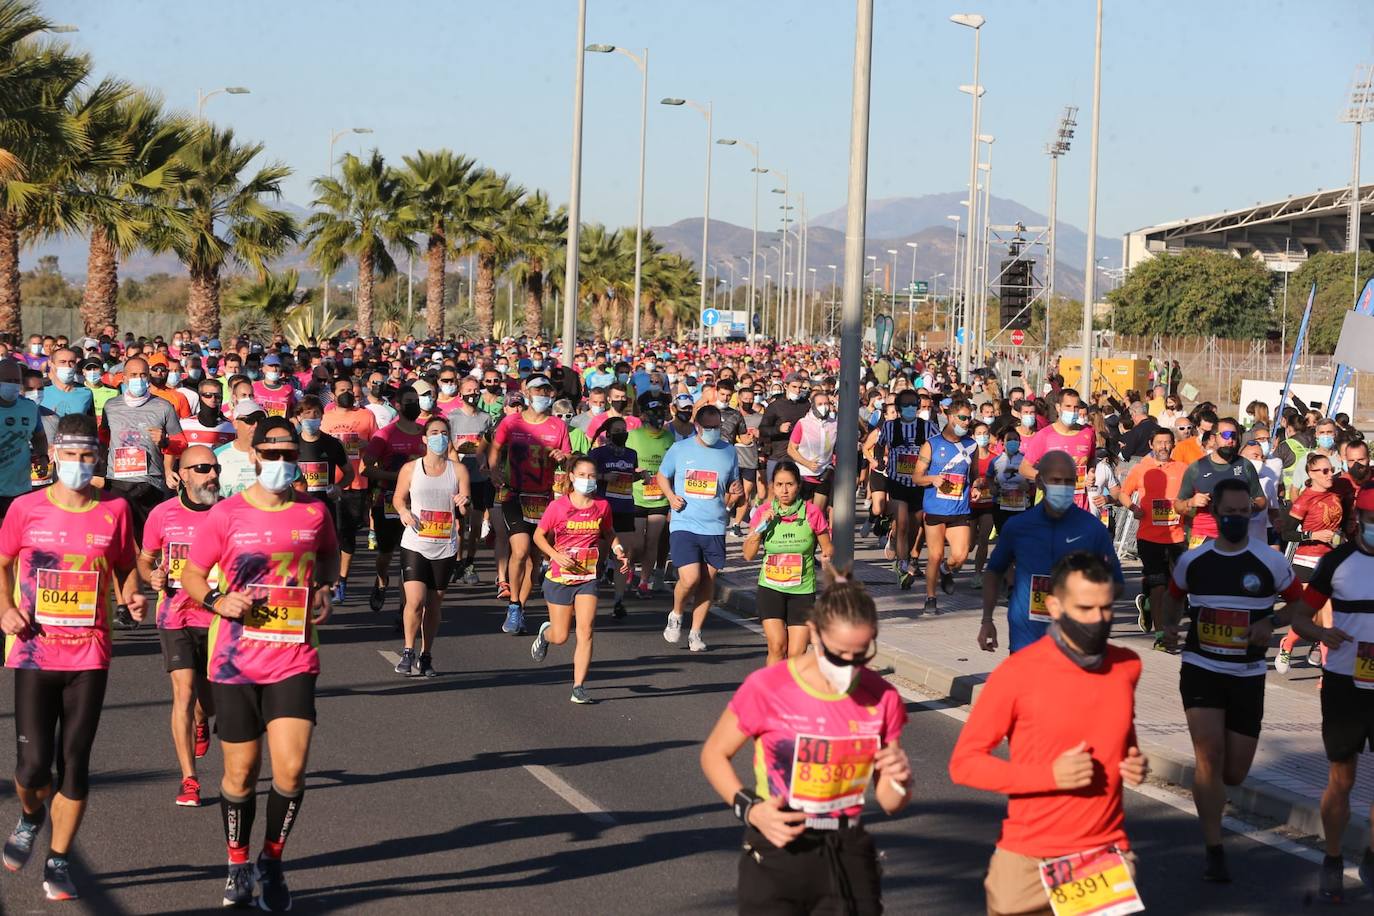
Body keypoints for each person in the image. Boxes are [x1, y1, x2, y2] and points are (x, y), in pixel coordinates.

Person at [180, 416, 339, 911]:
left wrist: (325, 590)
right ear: (254, 458)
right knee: (240, 775)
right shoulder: (227, 514)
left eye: (290, 455)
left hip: (293, 654)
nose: (281, 464)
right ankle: (236, 861)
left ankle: (272, 860)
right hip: (235, 660)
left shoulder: (315, 511)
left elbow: (329, 558)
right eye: (272, 455)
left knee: (291, 771)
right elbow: (190, 572)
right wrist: (214, 600)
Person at [700, 572, 911, 916]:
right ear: (814, 632)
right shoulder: (768, 686)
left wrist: (900, 778)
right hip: (778, 845)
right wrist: (751, 809)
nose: (850, 666)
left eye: (861, 654)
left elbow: (890, 802)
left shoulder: (881, 696)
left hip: (846, 851)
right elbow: (714, 754)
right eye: (839, 654)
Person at [951, 552, 1149, 916]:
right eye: (1086, 608)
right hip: (1029, 856)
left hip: (1100, 855)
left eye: (1106, 609)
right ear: (1055, 606)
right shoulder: (1018, 674)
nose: (1099, 619)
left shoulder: (1126, 666)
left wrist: (1133, 761)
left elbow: (1121, 735)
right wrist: (1049, 776)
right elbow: (964, 764)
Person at [0, 415, 144, 901]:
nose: (79, 465)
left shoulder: (117, 510)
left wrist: (132, 596)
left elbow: (125, 566)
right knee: (32, 768)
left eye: (88, 457)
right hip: (34, 651)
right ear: (54, 455)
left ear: (98, 459)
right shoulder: (25, 508)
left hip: (89, 653)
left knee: (74, 763)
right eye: (71, 455)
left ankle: (58, 860)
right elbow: (1, 562)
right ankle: (30, 816)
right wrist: (5, 608)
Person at [1157, 478, 1305, 883]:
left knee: (1235, 772)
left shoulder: (1270, 561)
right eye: (1230, 513)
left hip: (1247, 674)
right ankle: (1214, 848)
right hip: (1201, 668)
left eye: (1244, 513)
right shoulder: (1195, 560)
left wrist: (1271, 621)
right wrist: (1168, 626)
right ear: (1215, 514)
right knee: (1209, 755)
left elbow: (1300, 603)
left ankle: (1216, 796)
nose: (1237, 519)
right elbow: (1172, 596)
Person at [1274, 482, 1374, 902]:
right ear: (1358, 522)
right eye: (1372, 520)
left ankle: (1370, 855)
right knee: (1342, 777)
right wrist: (1320, 632)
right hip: (1344, 683)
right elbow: (1300, 616)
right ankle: (1333, 857)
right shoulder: (1337, 563)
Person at [139, 444, 223, 808]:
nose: (212, 475)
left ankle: (202, 721)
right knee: (183, 692)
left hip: (219, 617)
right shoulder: (162, 514)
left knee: (210, 701)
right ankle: (189, 779)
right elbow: (145, 561)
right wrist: (152, 577)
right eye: (202, 468)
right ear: (183, 475)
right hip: (175, 614)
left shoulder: (229, 514)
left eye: (215, 467)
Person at [980, 450, 1124, 654]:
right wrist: (987, 620)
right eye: (1055, 480)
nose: (1063, 487)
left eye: (1068, 481)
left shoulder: (1092, 528)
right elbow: (993, 572)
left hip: (1075, 643)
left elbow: (1116, 582)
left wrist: (1086, 599)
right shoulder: (1018, 526)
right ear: (1039, 482)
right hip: (1025, 641)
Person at [529, 455, 631, 704]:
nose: (588, 480)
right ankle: (545, 635)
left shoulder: (602, 506)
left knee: (586, 631)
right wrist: (554, 554)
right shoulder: (558, 507)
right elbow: (538, 536)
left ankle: (579, 687)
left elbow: (608, 531)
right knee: (561, 636)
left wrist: (618, 551)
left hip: (587, 577)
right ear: (572, 477)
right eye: (583, 475)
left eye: (592, 476)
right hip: (560, 577)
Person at [657, 404, 744, 653]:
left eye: (718, 427)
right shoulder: (680, 448)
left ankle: (696, 633)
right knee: (691, 577)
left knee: (708, 580)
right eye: (709, 427)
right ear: (697, 426)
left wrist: (734, 492)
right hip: (685, 522)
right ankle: (676, 614)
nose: (714, 431)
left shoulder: (729, 451)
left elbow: (731, 486)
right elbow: (663, 476)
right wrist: (671, 497)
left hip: (714, 524)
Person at [490, 374, 571, 635]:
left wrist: (563, 457)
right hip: (515, 494)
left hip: (543, 498)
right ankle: (513, 604)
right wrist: (493, 470)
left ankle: (519, 608)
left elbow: (568, 458)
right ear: (526, 391)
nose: (543, 396)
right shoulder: (511, 422)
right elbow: (496, 448)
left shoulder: (558, 426)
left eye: (547, 391)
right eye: (538, 390)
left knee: (534, 559)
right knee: (521, 549)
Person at [392, 416, 471, 677]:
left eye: (444, 432)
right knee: (415, 600)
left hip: (444, 545)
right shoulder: (410, 469)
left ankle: (426, 654)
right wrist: (403, 511)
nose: (439, 437)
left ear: (449, 438)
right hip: (415, 542)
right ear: (425, 438)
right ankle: (407, 650)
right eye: (434, 432)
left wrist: (463, 504)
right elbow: (398, 499)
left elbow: (465, 508)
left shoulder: (458, 470)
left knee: (434, 604)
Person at [742, 460, 833, 665]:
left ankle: (790, 694)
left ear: (798, 486)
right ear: (772, 486)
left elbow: (827, 546)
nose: (784, 490)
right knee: (777, 645)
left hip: (801, 590)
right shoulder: (764, 512)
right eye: (780, 485)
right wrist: (760, 528)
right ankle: (773, 693)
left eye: (789, 484)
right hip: (771, 588)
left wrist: (827, 556)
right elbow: (748, 555)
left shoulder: (811, 512)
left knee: (796, 652)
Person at [1273, 451, 1344, 675]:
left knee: (1328, 620)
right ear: (1310, 474)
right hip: (1306, 563)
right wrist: (1312, 535)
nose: (1329, 474)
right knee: (1311, 619)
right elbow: (1286, 533)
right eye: (1323, 471)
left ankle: (1326, 672)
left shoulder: (1336, 495)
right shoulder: (1304, 499)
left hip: (1330, 562)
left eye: (1331, 469)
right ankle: (1288, 644)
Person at [362, 385, 428, 618]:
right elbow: (366, 468)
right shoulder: (385, 435)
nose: (414, 405)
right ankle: (381, 581)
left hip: (418, 504)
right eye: (409, 401)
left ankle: (405, 608)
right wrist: (398, 478)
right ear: (397, 405)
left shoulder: (426, 433)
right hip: (387, 502)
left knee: (409, 558)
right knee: (386, 554)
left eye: (416, 401)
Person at [1118, 427, 1187, 638]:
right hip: (1148, 537)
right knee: (1159, 585)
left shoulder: (1184, 469)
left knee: (1175, 587)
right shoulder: (1141, 469)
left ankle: (1147, 606)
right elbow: (1123, 493)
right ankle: (1161, 635)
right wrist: (1134, 508)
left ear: (1173, 445)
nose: (1163, 447)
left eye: (1167, 442)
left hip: (1176, 537)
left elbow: (1192, 495)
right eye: (1159, 443)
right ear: (1151, 445)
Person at [911, 397, 977, 615]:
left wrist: (977, 486)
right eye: (962, 418)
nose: (966, 422)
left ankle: (946, 570)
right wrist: (932, 479)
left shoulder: (972, 444)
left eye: (969, 418)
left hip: (959, 509)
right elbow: (916, 478)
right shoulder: (932, 444)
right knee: (935, 554)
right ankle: (931, 598)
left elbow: (974, 476)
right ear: (950, 417)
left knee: (960, 555)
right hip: (935, 509)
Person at [1175, 417, 1265, 550]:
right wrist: (1191, 502)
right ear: (1213, 439)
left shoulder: (1245, 465)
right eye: (1225, 435)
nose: (1230, 440)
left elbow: (1261, 500)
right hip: (1203, 537)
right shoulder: (1197, 468)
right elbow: (1177, 505)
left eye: (1234, 436)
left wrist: (1247, 505)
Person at [446, 375, 493, 585]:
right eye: (469, 390)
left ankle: (470, 563)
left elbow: (489, 446)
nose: (473, 394)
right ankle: (456, 562)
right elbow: (448, 447)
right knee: (458, 526)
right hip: (458, 478)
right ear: (460, 393)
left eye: (476, 390)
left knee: (475, 525)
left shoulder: (485, 418)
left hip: (480, 477)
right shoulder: (452, 418)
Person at [1019, 387, 1096, 511]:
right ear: (1058, 408)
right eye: (1068, 406)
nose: (1073, 411)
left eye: (1076, 407)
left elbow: (1092, 458)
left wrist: (1091, 472)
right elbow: (1024, 468)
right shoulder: (1045, 435)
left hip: (1081, 507)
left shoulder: (1088, 433)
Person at [590, 416, 638, 617]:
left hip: (625, 508)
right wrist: (603, 477)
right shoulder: (597, 454)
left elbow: (629, 476)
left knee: (622, 557)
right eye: (617, 431)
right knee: (598, 559)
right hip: (603, 510)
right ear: (608, 435)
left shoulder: (631, 454)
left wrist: (639, 476)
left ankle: (619, 600)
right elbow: (585, 476)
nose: (622, 434)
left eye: (624, 430)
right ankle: (589, 595)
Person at [627, 395, 673, 597]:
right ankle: (628, 566)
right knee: (637, 544)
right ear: (644, 415)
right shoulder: (633, 436)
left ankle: (644, 581)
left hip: (660, 498)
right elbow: (625, 461)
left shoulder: (669, 439)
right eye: (653, 413)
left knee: (652, 541)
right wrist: (636, 471)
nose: (658, 418)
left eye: (661, 414)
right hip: (637, 496)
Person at [785, 388, 837, 511]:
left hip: (824, 472)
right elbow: (791, 449)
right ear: (813, 406)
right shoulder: (803, 423)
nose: (824, 407)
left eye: (826, 404)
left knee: (817, 512)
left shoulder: (834, 424)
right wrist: (807, 463)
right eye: (820, 404)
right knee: (802, 511)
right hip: (804, 473)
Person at [39, 347, 93, 418]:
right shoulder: (41, 390)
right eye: (62, 362)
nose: (68, 366)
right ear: (51, 363)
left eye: (72, 362)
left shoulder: (87, 393)